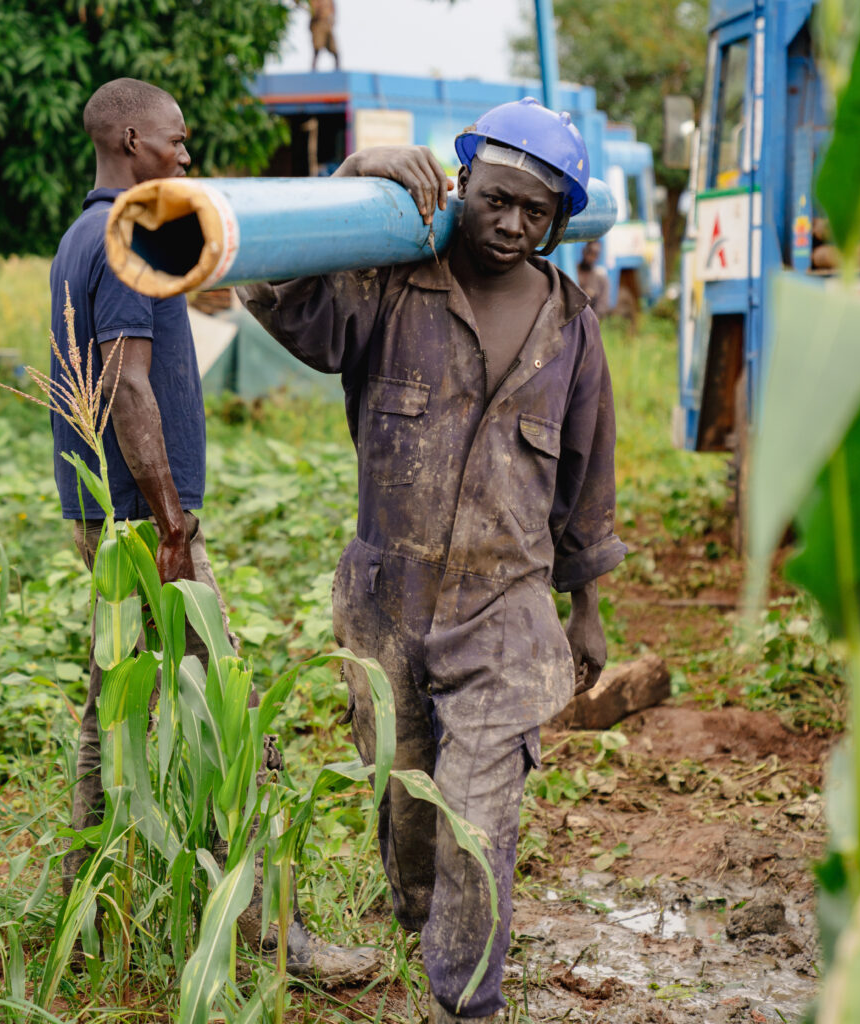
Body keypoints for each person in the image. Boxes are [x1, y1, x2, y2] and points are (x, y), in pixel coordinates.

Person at [239, 98, 626, 1022]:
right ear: (463, 187)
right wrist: (348, 180)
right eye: (499, 201)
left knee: (477, 816)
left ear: (560, 223)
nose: (514, 224)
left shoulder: (570, 328)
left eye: (538, 213)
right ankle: (423, 924)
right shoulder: (388, 285)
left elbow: (587, 472)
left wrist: (588, 607)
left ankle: (468, 1004)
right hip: (388, 600)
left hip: (508, 608)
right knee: (409, 809)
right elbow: (280, 297)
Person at [49, 76, 377, 984]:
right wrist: (171, 527)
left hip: (107, 514)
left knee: (109, 710)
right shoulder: (127, 234)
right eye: (175, 140)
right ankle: (273, 923)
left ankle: (85, 902)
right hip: (140, 521)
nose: (186, 155)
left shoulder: (85, 234)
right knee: (236, 708)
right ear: (127, 137)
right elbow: (123, 384)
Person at [576, 239, 612, 317]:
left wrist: (594, 319)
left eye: (595, 254)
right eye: (589, 252)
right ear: (584, 252)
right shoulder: (573, 271)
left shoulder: (600, 278)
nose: (591, 257)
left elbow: (603, 303)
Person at [305, 0, 339, 71]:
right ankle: (313, 69)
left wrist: (333, 18)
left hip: (327, 24)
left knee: (334, 49)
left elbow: (333, 7)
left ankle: (338, 70)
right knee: (317, 47)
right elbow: (312, 10)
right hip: (318, 24)